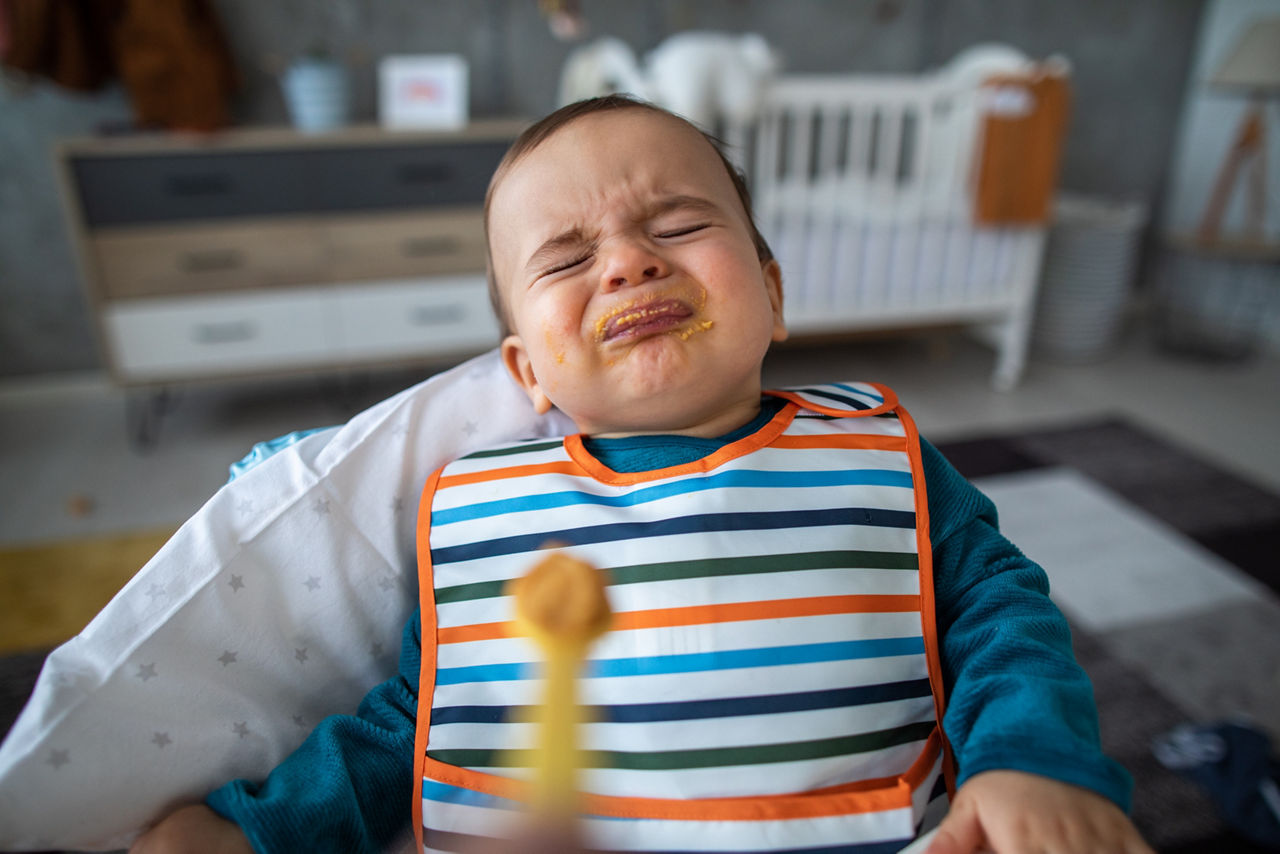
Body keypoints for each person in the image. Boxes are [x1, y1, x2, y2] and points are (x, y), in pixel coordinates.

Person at [132, 96, 1154, 854]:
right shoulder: (485, 504)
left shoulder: (871, 451)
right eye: (565, 259)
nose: (626, 262)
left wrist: (1032, 756)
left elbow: (997, 613)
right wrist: (257, 834)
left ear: (769, 291)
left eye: (675, 226)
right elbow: (421, 716)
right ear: (527, 368)